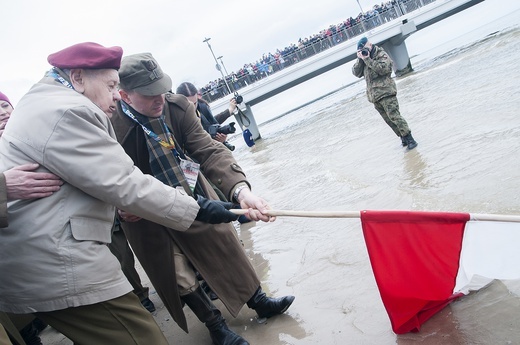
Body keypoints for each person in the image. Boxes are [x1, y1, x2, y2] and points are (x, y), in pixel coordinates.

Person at [0, 42, 244, 345]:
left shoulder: (42, 103)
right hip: (58, 259)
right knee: (142, 338)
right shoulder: (68, 110)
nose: (117, 93)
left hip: (33, 260)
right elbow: (125, 183)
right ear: (77, 78)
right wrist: (200, 209)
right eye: (112, 85)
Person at [112, 53, 295, 345]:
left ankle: (258, 300)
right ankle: (216, 326)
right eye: (149, 95)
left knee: (225, 247)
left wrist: (241, 191)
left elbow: (208, 151)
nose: (159, 99)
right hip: (147, 214)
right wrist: (119, 207)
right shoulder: (109, 124)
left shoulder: (177, 106)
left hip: (194, 196)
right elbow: (99, 177)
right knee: (179, 274)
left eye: (161, 89)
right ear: (124, 95)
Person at [352, 36, 418, 150]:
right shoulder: (363, 59)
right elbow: (356, 73)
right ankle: (403, 138)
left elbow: (384, 69)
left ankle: (410, 138)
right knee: (388, 120)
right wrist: (360, 59)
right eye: (362, 50)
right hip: (375, 97)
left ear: (370, 45)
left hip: (386, 92)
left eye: (365, 48)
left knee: (395, 117)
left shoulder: (381, 54)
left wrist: (368, 59)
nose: (365, 51)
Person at [108, 217, 156, 313]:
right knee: (123, 260)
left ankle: (170, 286)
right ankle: (140, 296)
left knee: (152, 243)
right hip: (100, 224)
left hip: (119, 212)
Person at [176, 81, 237, 151]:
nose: (193, 107)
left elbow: (213, 124)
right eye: (189, 104)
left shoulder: (202, 107)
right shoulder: (177, 118)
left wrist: (221, 138)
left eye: (195, 103)